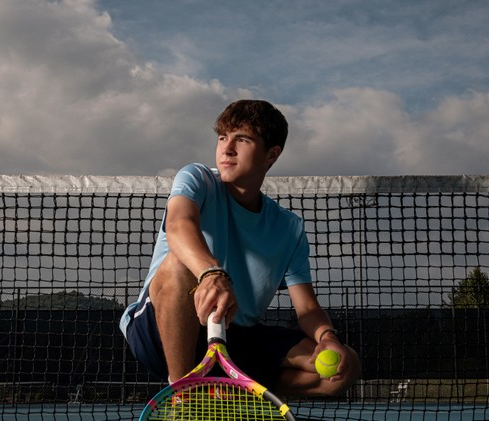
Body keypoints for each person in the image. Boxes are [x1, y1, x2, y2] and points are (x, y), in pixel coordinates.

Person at [119, 99, 360, 396]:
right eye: (222, 137)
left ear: (271, 154)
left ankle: (229, 396)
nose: (226, 148)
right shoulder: (197, 178)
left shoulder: (289, 228)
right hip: (159, 327)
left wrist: (327, 337)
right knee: (179, 264)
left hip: (234, 337)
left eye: (242, 139)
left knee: (343, 366)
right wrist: (210, 273)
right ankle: (184, 399)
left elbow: (307, 307)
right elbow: (179, 225)